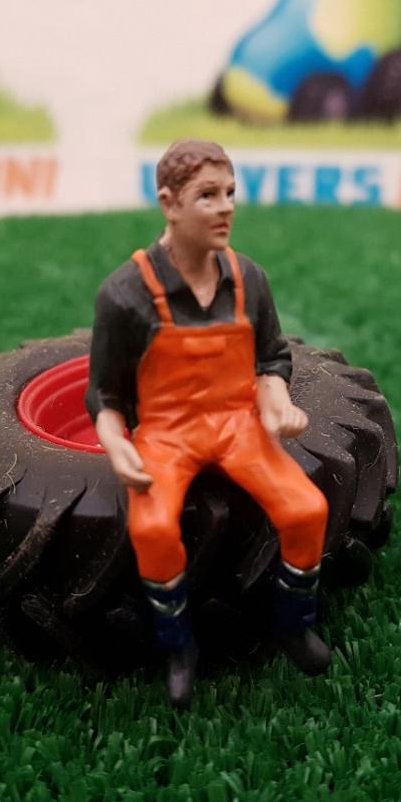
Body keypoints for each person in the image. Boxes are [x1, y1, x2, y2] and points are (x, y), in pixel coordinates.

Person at [85, 139, 330, 708]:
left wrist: (275, 401)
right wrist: (116, 444)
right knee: (151, 527)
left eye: (230, 193)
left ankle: (294, 624)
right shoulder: (124, 294)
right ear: (169, 203)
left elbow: (272, 358)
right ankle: (178, 646)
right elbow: (105, 391)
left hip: (237, 424)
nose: (225, 208)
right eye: (207, 196)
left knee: (306, 509)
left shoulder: (249, 279)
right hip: (166, 433)